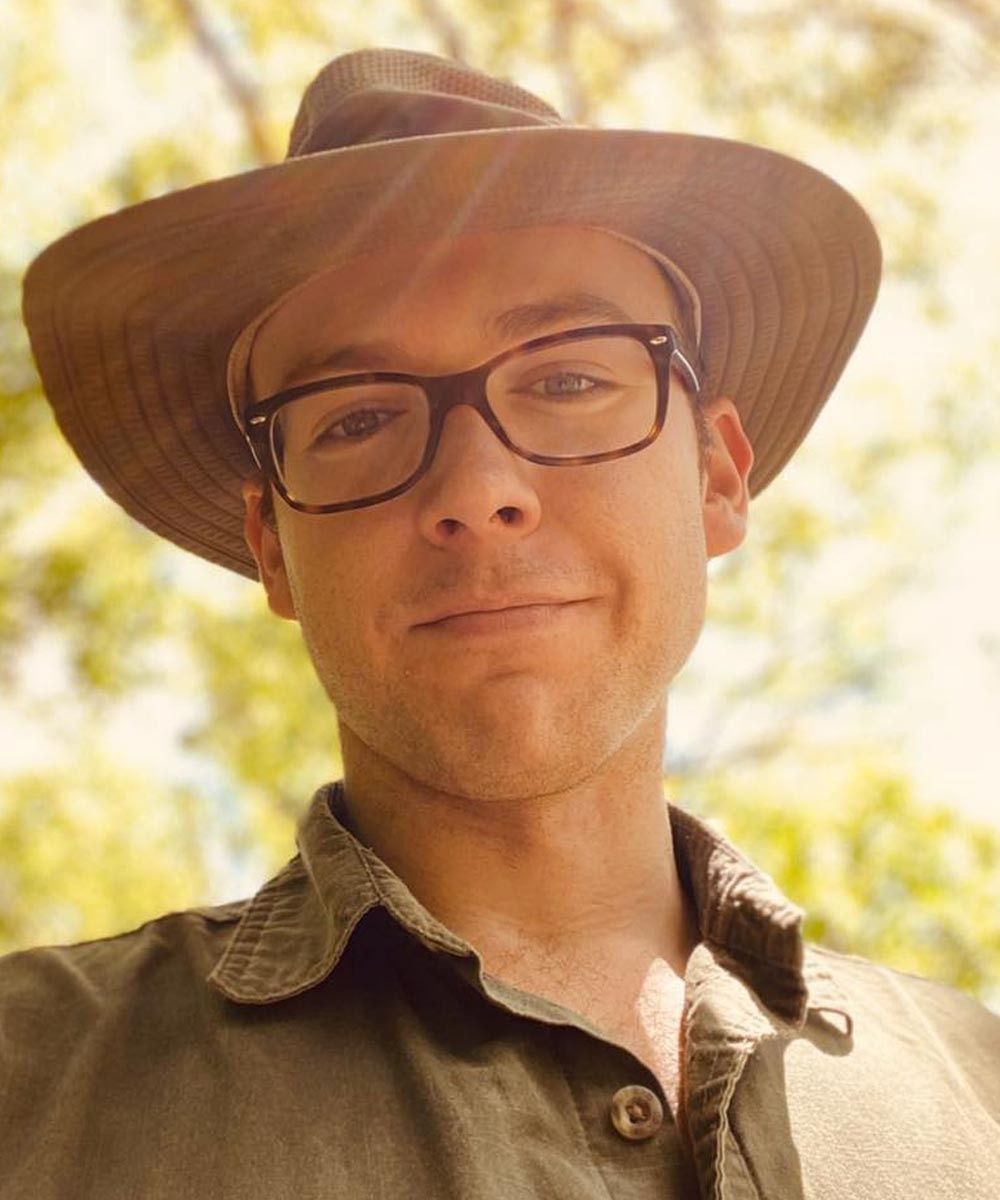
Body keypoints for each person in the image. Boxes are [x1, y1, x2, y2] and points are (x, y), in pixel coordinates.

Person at [3, 46, 998, 1200]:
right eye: (356, 417)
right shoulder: (32, 1088)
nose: (478, 491)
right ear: (272, 548)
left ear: (717, 477)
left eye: (569, 381)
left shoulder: (977, 1091)